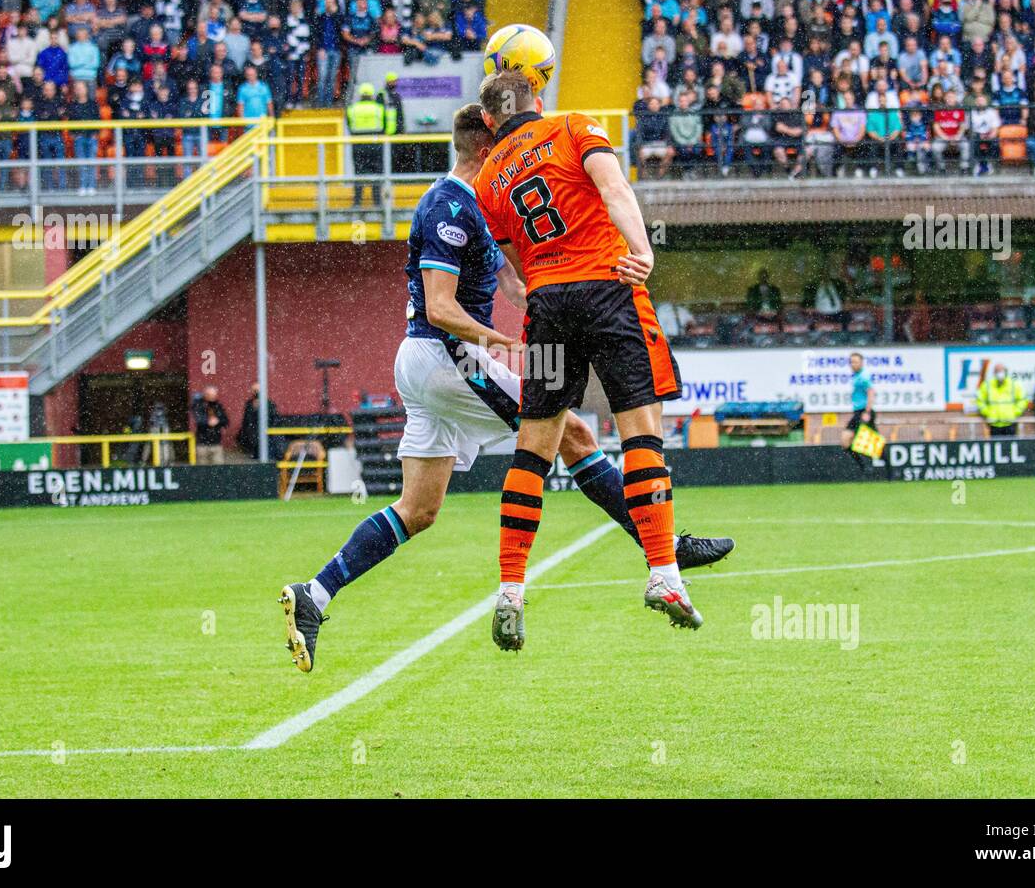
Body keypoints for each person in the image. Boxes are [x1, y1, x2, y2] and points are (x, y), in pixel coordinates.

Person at [277, 104, 733, 673]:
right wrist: (506, 345)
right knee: (573, 434)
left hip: (430, 363)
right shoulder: (448, 203)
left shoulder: (487, 202)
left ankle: (314, 596)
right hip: (448, 354)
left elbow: (518, 285)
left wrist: (546, 306)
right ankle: (663, 550)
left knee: (418, 510)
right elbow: (442, 308)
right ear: (488, 147)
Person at [472, 71, 705, 649]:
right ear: (538, 101)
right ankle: (664, 575)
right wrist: (642, 250)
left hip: (549, 302)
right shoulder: (573, 127)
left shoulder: (488, 179)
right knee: (641, 435)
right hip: (608, 286)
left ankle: (510, 589)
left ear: (489, 120)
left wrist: (545, 289)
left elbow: (513, 268)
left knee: (533, 449)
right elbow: (614, 190)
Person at [346, 81, 385, 205]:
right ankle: (377, 201)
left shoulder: (352, 109)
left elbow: (350, 126)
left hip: (358, 144)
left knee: (359, 173)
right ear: (372, 95)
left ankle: (357, 201)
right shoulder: (379, 108)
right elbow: (384, 126)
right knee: (377, 173)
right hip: (375, 144)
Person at [840, 351, 876, 462]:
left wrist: (867, 412)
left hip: (864, 412)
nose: (852, 364)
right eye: (851, 362)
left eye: (855, 362)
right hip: (858, 412)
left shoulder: (863, 376)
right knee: (845, 441)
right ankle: (863, 466)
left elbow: (871, 392)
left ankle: (887, 471)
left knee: (870, 443)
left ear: (861, 363)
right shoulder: (856, 376)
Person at [975, 363, 1026, 436]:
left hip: (1010, 422)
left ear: (1005, 371)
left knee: (1010, 445)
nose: (1000, 373)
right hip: (994, 423)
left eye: (1001, 371)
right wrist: (987, 412)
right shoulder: (987, 385)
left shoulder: (1013, 384)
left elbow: (1022, 400)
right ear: (994, 373)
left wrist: (1015, 412)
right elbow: (980, 400)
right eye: (997, 371)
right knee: (995, 446)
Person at [191, 386, 229, 464]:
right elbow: (198, 420)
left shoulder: (218, 406)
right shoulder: (199, 405)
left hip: (216, 442)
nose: (213, 397)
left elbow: (225, 420)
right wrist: (208, 422)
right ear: (205, 395)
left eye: (214, 395)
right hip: (202, 443)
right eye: (210, 395)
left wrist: (218, 421)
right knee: (203, 467)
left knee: (219, 466)